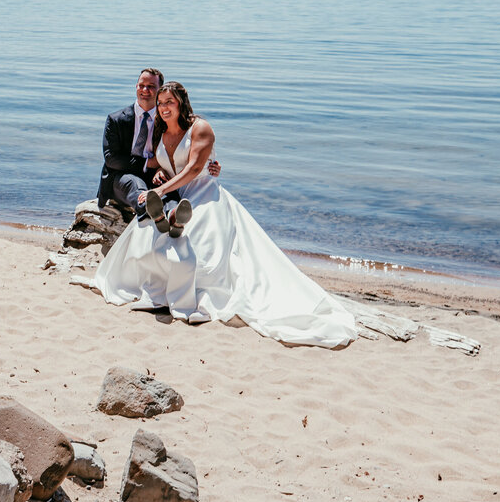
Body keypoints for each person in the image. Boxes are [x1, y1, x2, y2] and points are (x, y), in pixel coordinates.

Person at [94, 81, 358, 348]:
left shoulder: (201, 128)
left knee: (203, 242)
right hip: (177, 195)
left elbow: (196, 168)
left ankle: (175, 230)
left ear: (181, 103)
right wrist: (159, 174)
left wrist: (162, 188)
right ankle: (168, 227)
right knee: (149, 232)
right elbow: (156, 162)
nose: (163, 107)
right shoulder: (161, 131)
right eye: (161, 103)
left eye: (169, 102)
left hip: (203, 193)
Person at [99, 68, 218, 229]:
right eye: (141, 85)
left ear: (159, 90)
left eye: (151, 86)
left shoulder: (166, 120)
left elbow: (179, 149)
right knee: (136, 184)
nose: (145, 90)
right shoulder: (116, 119)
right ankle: (150, 211)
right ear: (136, 86)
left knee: (170, 194)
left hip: (157, 178)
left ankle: (173, 217)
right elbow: (111, 159)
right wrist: (150, 164)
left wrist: (209, 163)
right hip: (121, 177)